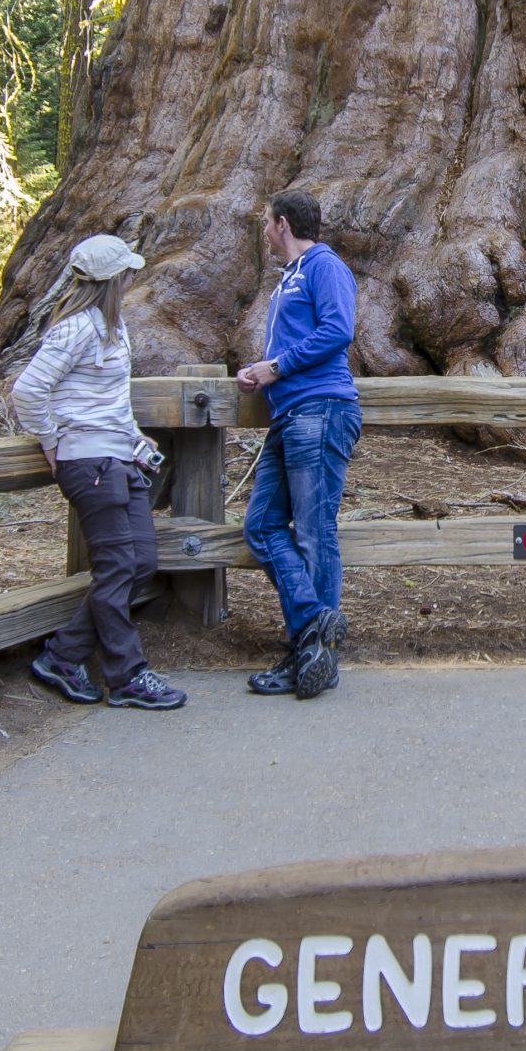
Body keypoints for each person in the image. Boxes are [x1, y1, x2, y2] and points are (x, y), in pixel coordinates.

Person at [8, 234, 186, 712]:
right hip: (88, 462)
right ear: (112, 279)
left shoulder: (113, 324)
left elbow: (111, 399)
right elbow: (27, 391)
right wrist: (51, 440)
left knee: (141, 562)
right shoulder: (75, 328)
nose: (132, 278)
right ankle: (127, 675)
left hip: (118, 457)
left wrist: (133, 436)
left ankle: (63, 655)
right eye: (126, 272)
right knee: (116, 568)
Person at [238, 190, 361, 700]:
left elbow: (339, 330)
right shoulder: (288, 278)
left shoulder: (324, 266)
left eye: (266, 223)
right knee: (261, 525)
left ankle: (312, 659)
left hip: (321, 410)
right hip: (289, 415)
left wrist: (277, 367)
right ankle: (315, 627)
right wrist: (261, 372)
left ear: (283, 224)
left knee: (313, 533)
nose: (264, 231)